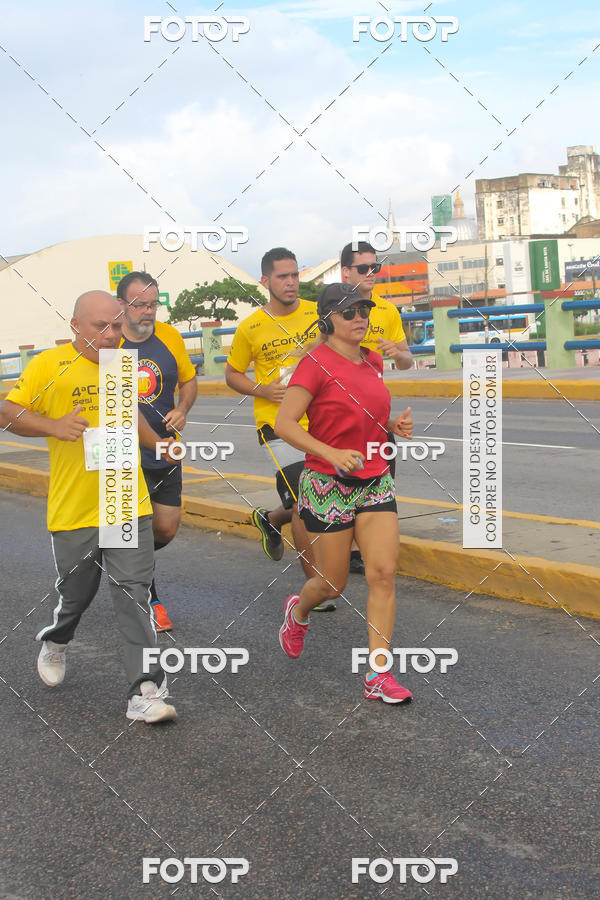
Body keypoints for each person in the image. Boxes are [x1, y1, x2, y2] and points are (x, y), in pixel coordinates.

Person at [0, 291, 177, 722]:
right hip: (75, 507)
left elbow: (131, 416)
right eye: (102, 326)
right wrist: (53, 425)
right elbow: (7, 411)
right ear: (75, 325)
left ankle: (145, 691)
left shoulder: (121, 364)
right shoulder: (48, 366)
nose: (112, 335)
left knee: (133, 593)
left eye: (117, 325)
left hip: (124, 498)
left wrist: (160, 444)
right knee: (76, 594)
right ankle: (58, 639)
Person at [275, 282, 414, 703]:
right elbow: (285, 424)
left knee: (382, 574)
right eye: (349, 312)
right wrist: (330, 452)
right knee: (330, 585)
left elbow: (367, 414)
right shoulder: (314, 365)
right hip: (327, 485)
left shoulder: (373, 360)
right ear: (328, 319)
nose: (360, 318)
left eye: (363, 311)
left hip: (374, 480)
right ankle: (298, 611)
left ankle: (378, 675)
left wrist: (392, 426)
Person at [225, 247, 335, 611]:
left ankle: (271, 519)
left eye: (295, 275)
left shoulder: (318, 313)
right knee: (305, 500)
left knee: (328, 491)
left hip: (322, 420)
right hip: (277, 425)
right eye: (282, 276)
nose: (291, 282)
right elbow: (232, 374)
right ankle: (315, 586)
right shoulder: (250, 327)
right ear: (265, 281)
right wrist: (261, 389)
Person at [118, 271, 198, 632]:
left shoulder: (170, 336)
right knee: (134, 528)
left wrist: (182, 408)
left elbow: (189, 380)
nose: (147, 311)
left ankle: (120, 561)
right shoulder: (110, 343)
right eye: (139, 305)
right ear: (121, 304)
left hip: (166, 450)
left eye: (153, 304)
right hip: (123, 452)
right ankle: (150, 599)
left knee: (165, 528)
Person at [340, 240, 413, 575]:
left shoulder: (386, 311)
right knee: (344, 480)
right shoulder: (332, 308)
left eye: (375, 267)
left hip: (377, 416)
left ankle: (370, 546)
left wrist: (397, 354)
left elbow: (407, 360)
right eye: (363, 268)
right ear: (346, 272)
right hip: (340, 415)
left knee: (382, 477)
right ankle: (346, 547)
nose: (370, 273)